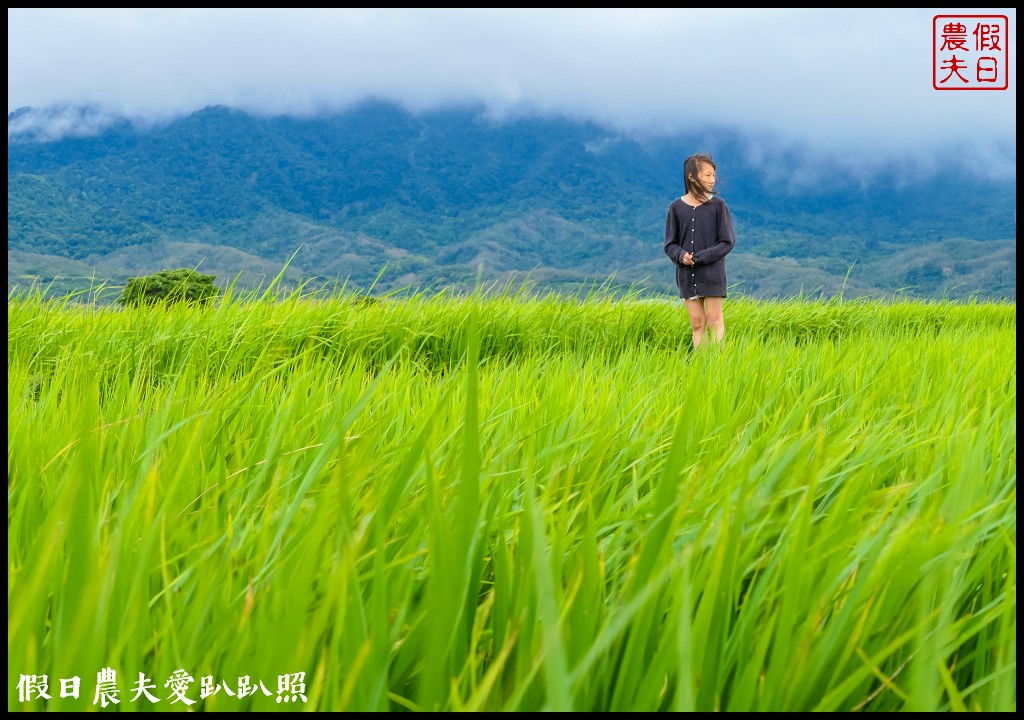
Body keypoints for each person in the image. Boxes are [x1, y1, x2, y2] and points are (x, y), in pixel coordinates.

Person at [663, 152, 736, 347]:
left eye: (713, 175)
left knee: (714, 320)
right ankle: (701, 367)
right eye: (707, 175)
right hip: (687, 275)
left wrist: (701, 257)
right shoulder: (676, 207)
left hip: (712, 273)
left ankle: (719, 365)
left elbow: (727, 241)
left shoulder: (719, 206)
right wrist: (681, 256)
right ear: (692, 177)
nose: (712, 180)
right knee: (697, 323)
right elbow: (670, 244)